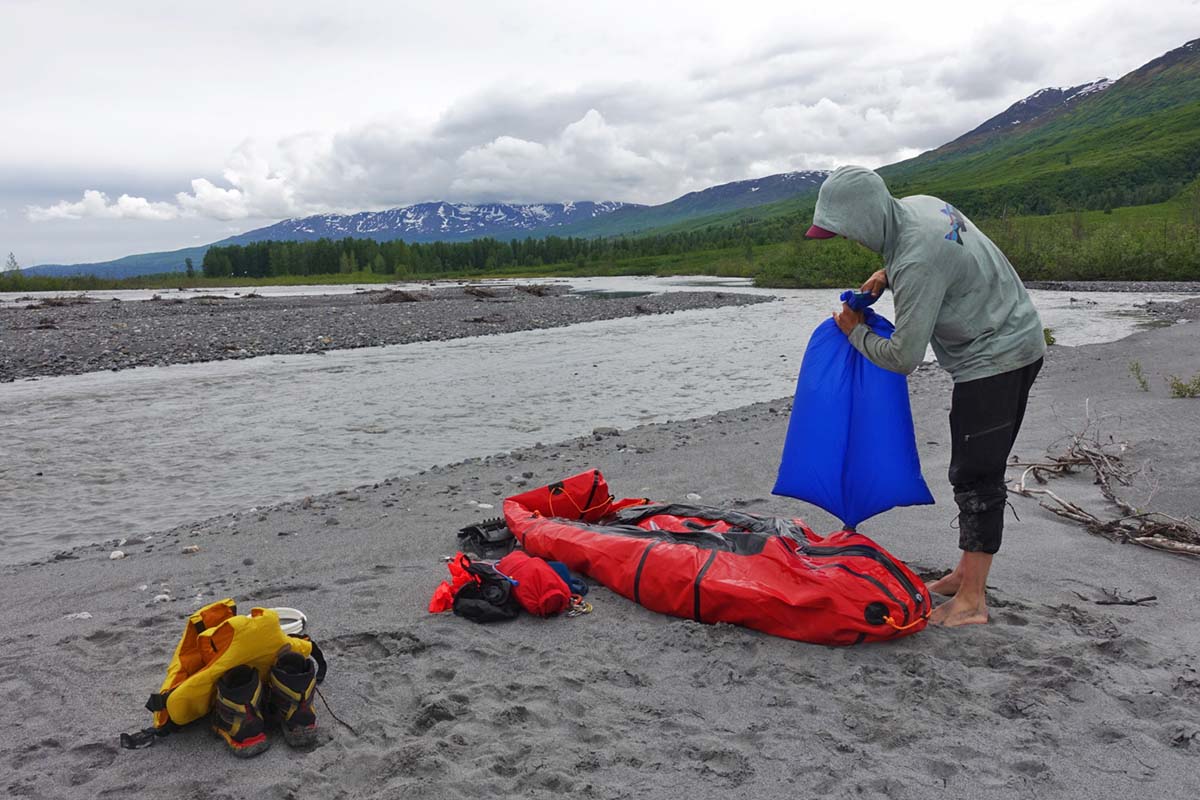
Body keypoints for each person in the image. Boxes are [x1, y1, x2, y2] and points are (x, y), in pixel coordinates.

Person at [806, 165, 1045, 627]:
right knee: (975, 465)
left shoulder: (916, 260)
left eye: (848, 230)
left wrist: (854, 332)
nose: (851, 239)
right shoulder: (918, 207)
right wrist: (886, 273)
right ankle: (963, 575)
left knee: (977, 476)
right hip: (1017, 335)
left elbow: (903, 356)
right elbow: (941, 258)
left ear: (865, 216)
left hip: (996, 358)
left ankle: (972, 601)